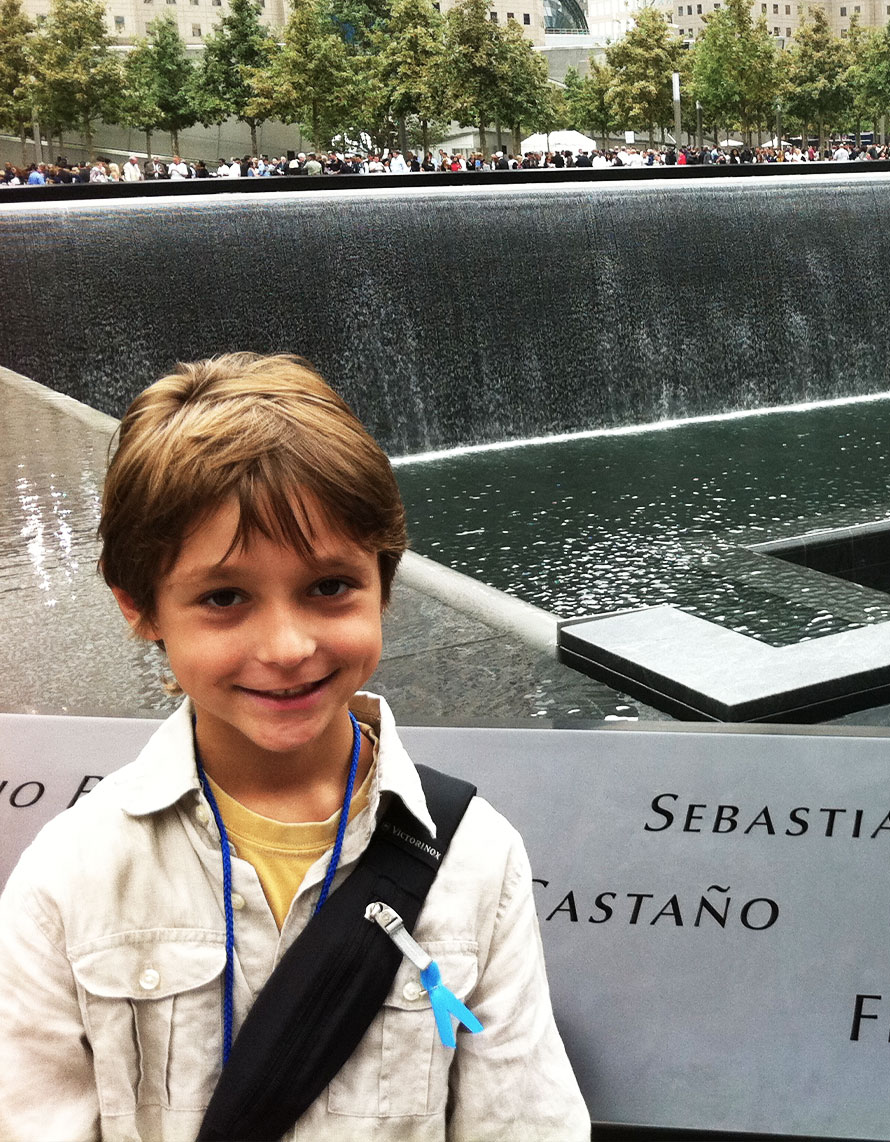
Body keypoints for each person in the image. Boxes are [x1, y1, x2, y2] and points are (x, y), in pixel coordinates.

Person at [0, 354, 591, 1140]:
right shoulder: (70, 877)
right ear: (141, 608)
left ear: (384, 582)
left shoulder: (479, 860)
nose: (286, 647)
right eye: (224, 597)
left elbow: (523, 1125)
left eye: (327, 587)